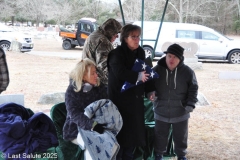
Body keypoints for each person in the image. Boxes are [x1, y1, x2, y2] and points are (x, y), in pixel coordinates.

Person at [107, 24, 156, 160]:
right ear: (125, 38)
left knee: (132, 136)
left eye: (138, 37)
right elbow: (119, 72)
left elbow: (148, 72)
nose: (136, 40)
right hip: (120, 101)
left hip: (135, 101)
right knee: (121, 135)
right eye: (133, 37)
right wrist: (137, 77)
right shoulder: (116, 54)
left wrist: (150, 90)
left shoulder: (141, 52)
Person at [152, 44, 198, 160]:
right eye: (169, 56)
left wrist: (190, 104)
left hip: (181, 112)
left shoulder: (188, 72)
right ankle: (159, 154)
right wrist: (150, 93)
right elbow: (148, 86)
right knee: (160, 135)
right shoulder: (156, 70)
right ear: (165, 56)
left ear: (180, 58)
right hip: (160, 110)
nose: (171, 59)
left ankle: (181, 155)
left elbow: (193, 88)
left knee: (180, 136)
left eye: (175, 57)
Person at [63, 58, 108, 144]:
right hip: (75, 130)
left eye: (96, 72)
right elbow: (75, 115)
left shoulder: (98, 86)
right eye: (92, 73)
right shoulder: (72, 91)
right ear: (83, 76)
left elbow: (106, 102)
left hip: (98, 125)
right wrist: (93, 125)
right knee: (94, 144)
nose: (96, 75)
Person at [82, 18, 122, 86]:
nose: (117, 36)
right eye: (116, 33)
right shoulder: (103, 41)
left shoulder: (95, 35)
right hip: (98, 83)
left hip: (88, 77)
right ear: (110, 32)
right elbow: (104, 66)